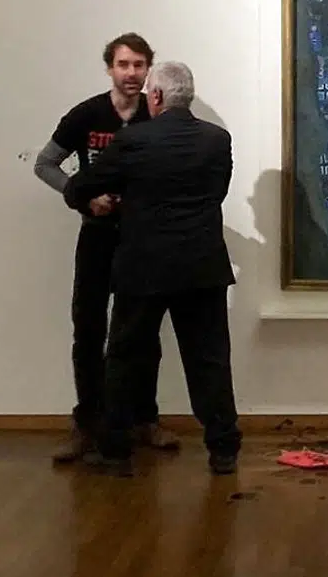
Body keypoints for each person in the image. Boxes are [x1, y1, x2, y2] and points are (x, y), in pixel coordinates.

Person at [63, 60, 242, 478]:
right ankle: (223, 449)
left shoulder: (134, 140)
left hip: (144, 266)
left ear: (156, 96)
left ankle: (115, 450)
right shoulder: (217, 140)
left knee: (125, 357)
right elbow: (216, 193)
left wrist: (103, 198)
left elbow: (81, 187)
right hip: (202, 265)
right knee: (210, 360)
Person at [33, 32, 178, 462]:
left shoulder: (157, 115)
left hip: (143, 239)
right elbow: (45, 164)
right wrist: (83, 195)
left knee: (142, 332)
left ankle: (144, 419)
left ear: (149, 69)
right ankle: (87, 424)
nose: (131, 73)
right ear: (109, 68)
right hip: (96, 235)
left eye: (139, 65)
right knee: (89, 329)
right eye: (123, 64)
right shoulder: (87, 114)